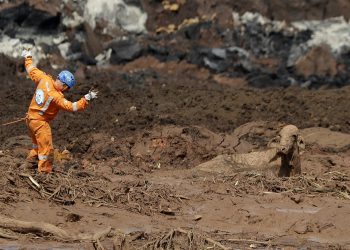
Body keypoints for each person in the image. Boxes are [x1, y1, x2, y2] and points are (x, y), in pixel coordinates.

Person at [21, 48, 98, 173]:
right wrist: (87, 98)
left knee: (37, 146)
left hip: (29, 120)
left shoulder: (44, 79)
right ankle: (44, 172)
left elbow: (31, 70)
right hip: (40, 123)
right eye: (67, 88)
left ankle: (29, 165)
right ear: (65, 86)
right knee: (46, 149)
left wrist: (28, 56)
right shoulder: (56, 97)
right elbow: (72, 107)